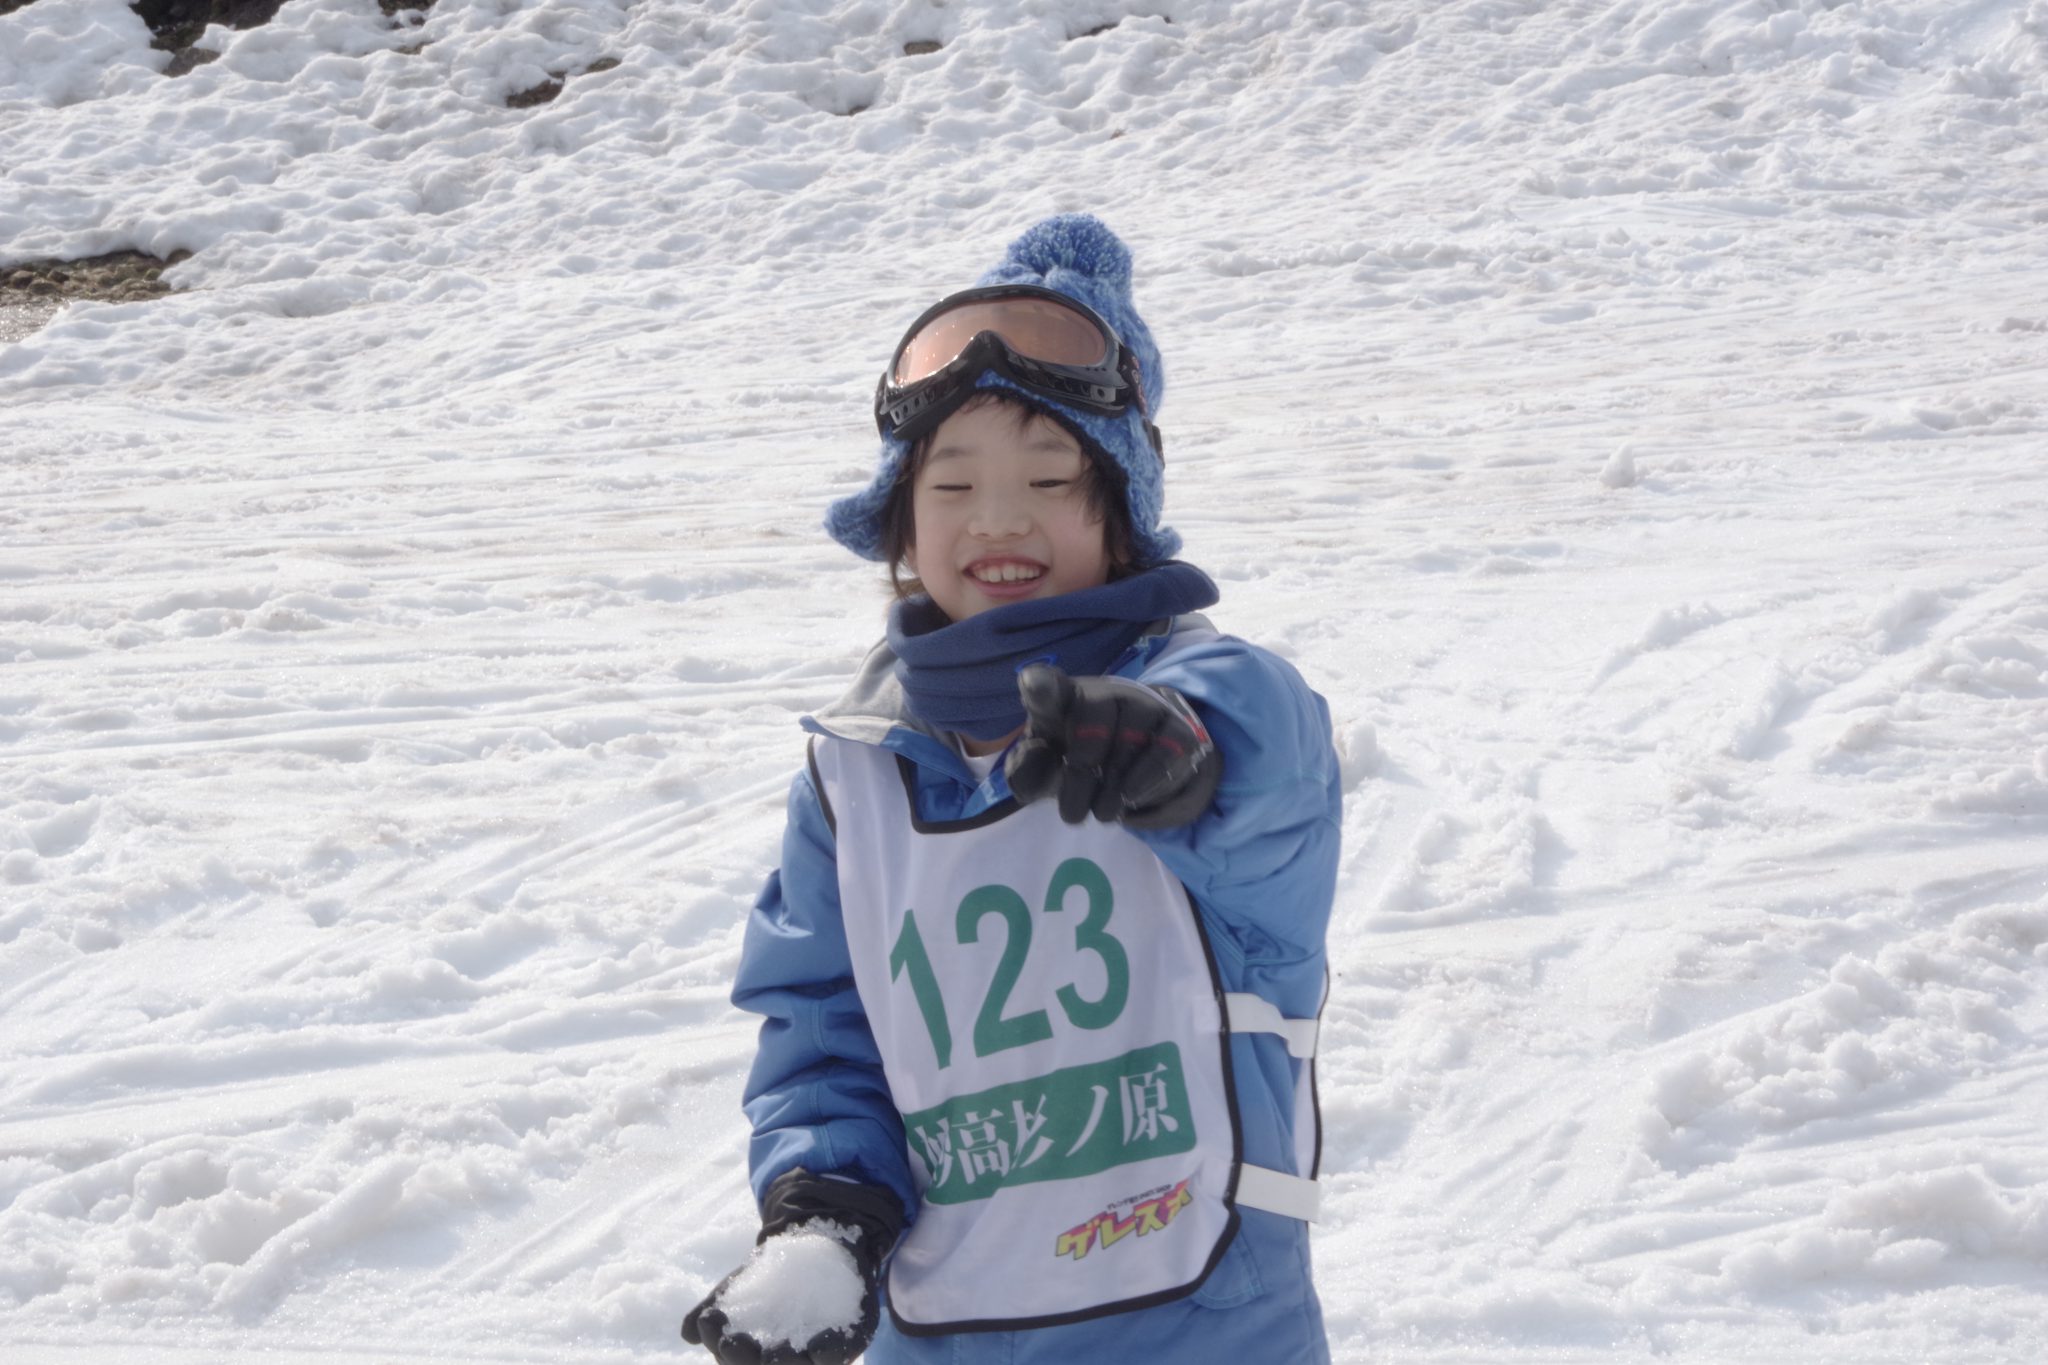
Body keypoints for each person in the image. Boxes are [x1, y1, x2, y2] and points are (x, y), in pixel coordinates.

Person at [682, 214, 1341, 1365]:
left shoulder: (1205, 697)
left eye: (1047, 477)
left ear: (1120, 513)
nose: (997, 518)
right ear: (901, 524)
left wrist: (1175, 756)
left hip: (1197, 1327)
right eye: (952, 484)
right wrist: (826, 1215)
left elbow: (1263, 778)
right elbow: (825, 1033)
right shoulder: (854, 774)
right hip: (941, 1335)